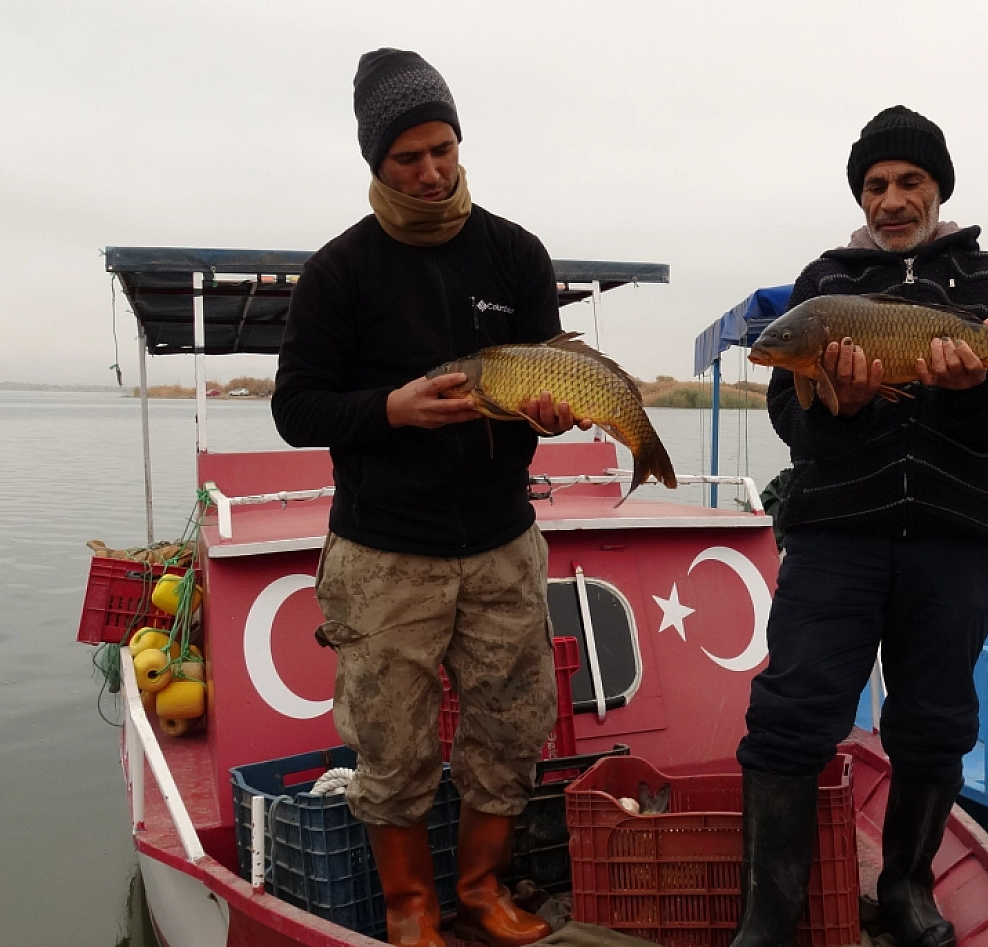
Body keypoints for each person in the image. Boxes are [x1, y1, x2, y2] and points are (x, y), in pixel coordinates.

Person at [272, 48, 588, 947]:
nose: (431, 171)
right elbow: (296, 407)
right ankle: (412, 909)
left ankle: (482, 889)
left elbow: (546, 376)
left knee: (510, 721)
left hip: (500, 541)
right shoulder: (341, 271)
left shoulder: (515, 253)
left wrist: (552, 413)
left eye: (442, 148)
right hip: (384, 552)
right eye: (408, 157)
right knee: (392, 740)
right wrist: (391, 409)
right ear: (376, 162)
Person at [731, 107, 988, 947]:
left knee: (935, 721)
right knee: (791, 714)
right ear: (861, 198)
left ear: (939, 188)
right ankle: (768, 915)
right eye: (876, 185)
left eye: (910, 182)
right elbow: (794, 427)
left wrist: (967, 385)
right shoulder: (823, 284)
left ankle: (907, 886)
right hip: (838, 537)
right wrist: (847, 401)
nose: (893, 199)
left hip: (956, 539)